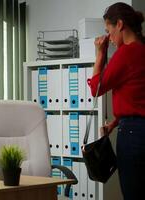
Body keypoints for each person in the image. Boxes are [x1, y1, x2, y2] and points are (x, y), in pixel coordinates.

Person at [87, 2, 145, 199]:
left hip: (133, 135)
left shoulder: (126, 52)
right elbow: (138, 98)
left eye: (108, 30)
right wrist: (115, 121)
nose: (109, 38)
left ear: (119, 24)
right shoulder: (142, 50)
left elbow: (96, 88)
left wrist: (100, 54)